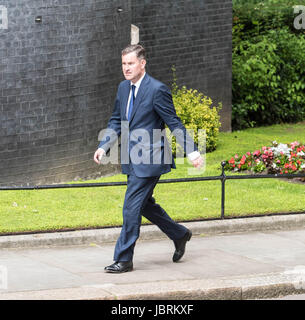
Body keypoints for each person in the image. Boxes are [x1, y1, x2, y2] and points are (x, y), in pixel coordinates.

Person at [93, 44, 203, 273]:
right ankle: (180, 234)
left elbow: (173, 122)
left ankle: (123, 259)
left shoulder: (157, 89)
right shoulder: (123, 88)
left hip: (151, 160)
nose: (126, 68)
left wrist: (192, 151)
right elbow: (116, 120)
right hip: (131, 159)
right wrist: (104, 147)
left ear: (143, 63)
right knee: (145, 206)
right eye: (124, 64)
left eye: (130, 63)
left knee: (130, 208)